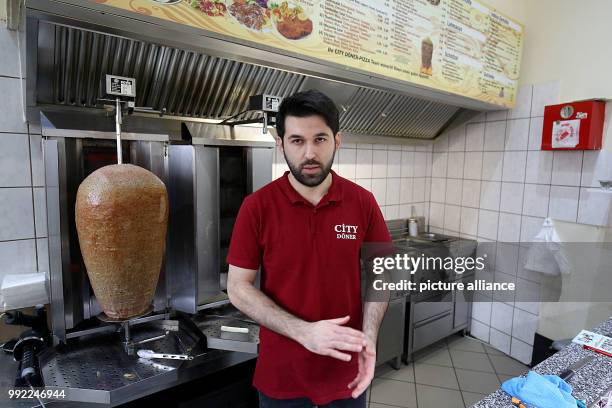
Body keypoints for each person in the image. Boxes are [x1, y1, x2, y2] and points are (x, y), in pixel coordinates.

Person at [226, 90, 391, 407]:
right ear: (281, 143)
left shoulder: (362, 202)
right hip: (282, 377)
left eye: (320, 139)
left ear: (337, 141)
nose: (309, 153)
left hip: (347, 372)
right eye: (297, 141)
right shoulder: (257, 207)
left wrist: (369, 337)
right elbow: (237, 286)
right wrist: (304, 332)